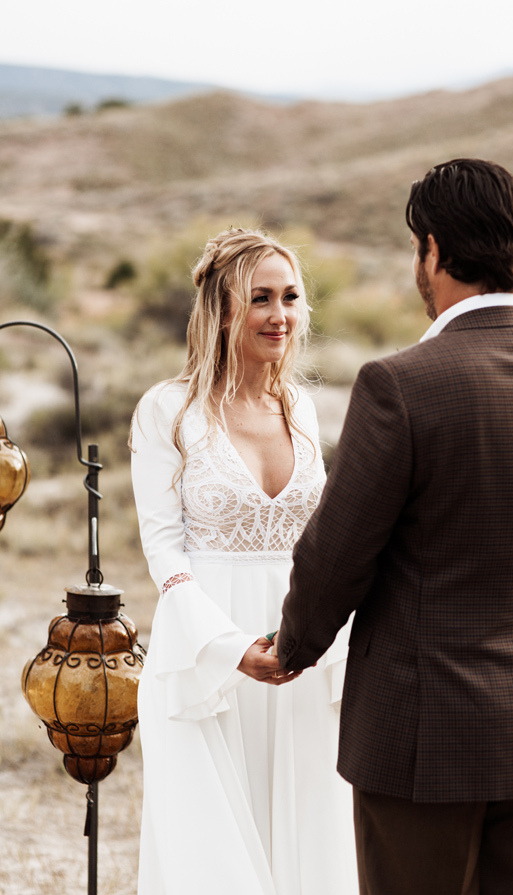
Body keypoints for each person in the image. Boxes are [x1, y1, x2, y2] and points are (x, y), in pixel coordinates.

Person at [273, 158, 513, 895]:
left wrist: (293, 645)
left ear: (436, 249)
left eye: (418, 247)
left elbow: (337, 556)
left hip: (426, 738)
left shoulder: (401, 384)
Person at [130, 228, 357, 894]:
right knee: (214, 852)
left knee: (309, 838)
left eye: (290, 297)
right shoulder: (167, 411)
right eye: (260, 298)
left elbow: (324, 537)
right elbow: (163, 546)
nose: (279, 315)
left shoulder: (303, 410)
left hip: (302, 650)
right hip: (206, 655)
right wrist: (229, 647)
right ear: (223, 309)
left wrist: (319, 631)